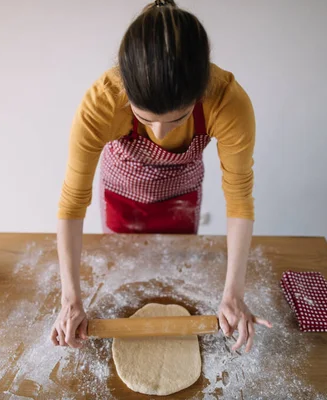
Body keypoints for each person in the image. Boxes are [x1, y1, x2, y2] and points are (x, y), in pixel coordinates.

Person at [51, 0, 272, 352]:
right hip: (122, 195)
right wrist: (71, 300)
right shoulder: (101, 102)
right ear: (125, 90)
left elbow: (239, 197)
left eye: (179, 118)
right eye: (145, 117)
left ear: (200, 94)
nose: (161, 133)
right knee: (124, 275)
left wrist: (234, 294)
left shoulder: (228, 101)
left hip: (181, 196)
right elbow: (73, 200)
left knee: (176, 277)